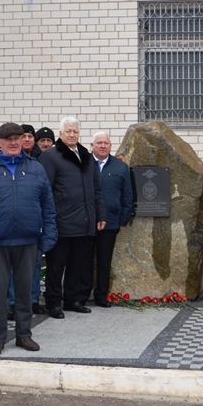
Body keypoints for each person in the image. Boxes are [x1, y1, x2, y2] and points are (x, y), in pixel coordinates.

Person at [0, 122, 57, 357]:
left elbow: (48, 206)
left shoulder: (36, 168)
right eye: (8, 139)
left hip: (28, 241)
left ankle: (24, 334)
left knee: (25, 290)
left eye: (18, 138)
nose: (14, 142)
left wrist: (48, 236)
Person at [37, 116, 106, 319]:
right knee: (56, 266)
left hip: (84, 221)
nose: (72, 134)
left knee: (78, 264)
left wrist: (100, 214)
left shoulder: (85, 155)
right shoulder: (51, 157)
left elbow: (96, 189)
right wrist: (48, 220)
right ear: (60, 134)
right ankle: (53, 302)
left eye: (75, 131)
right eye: (68, 131)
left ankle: (72, 299)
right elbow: (44, 190)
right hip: (61, 222)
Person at [89, 131, 134, 307]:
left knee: (104, 262)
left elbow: (127, 196)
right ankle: (80, 295)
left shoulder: (120, 167)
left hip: (110, 222)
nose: (102, 146)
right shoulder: (84, 165)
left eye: (106, 143)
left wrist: (122, 220)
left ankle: (101, 295)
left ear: (110, 146)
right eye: (98, 143)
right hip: (86, 221)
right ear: (91, 146)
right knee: (83, 260)